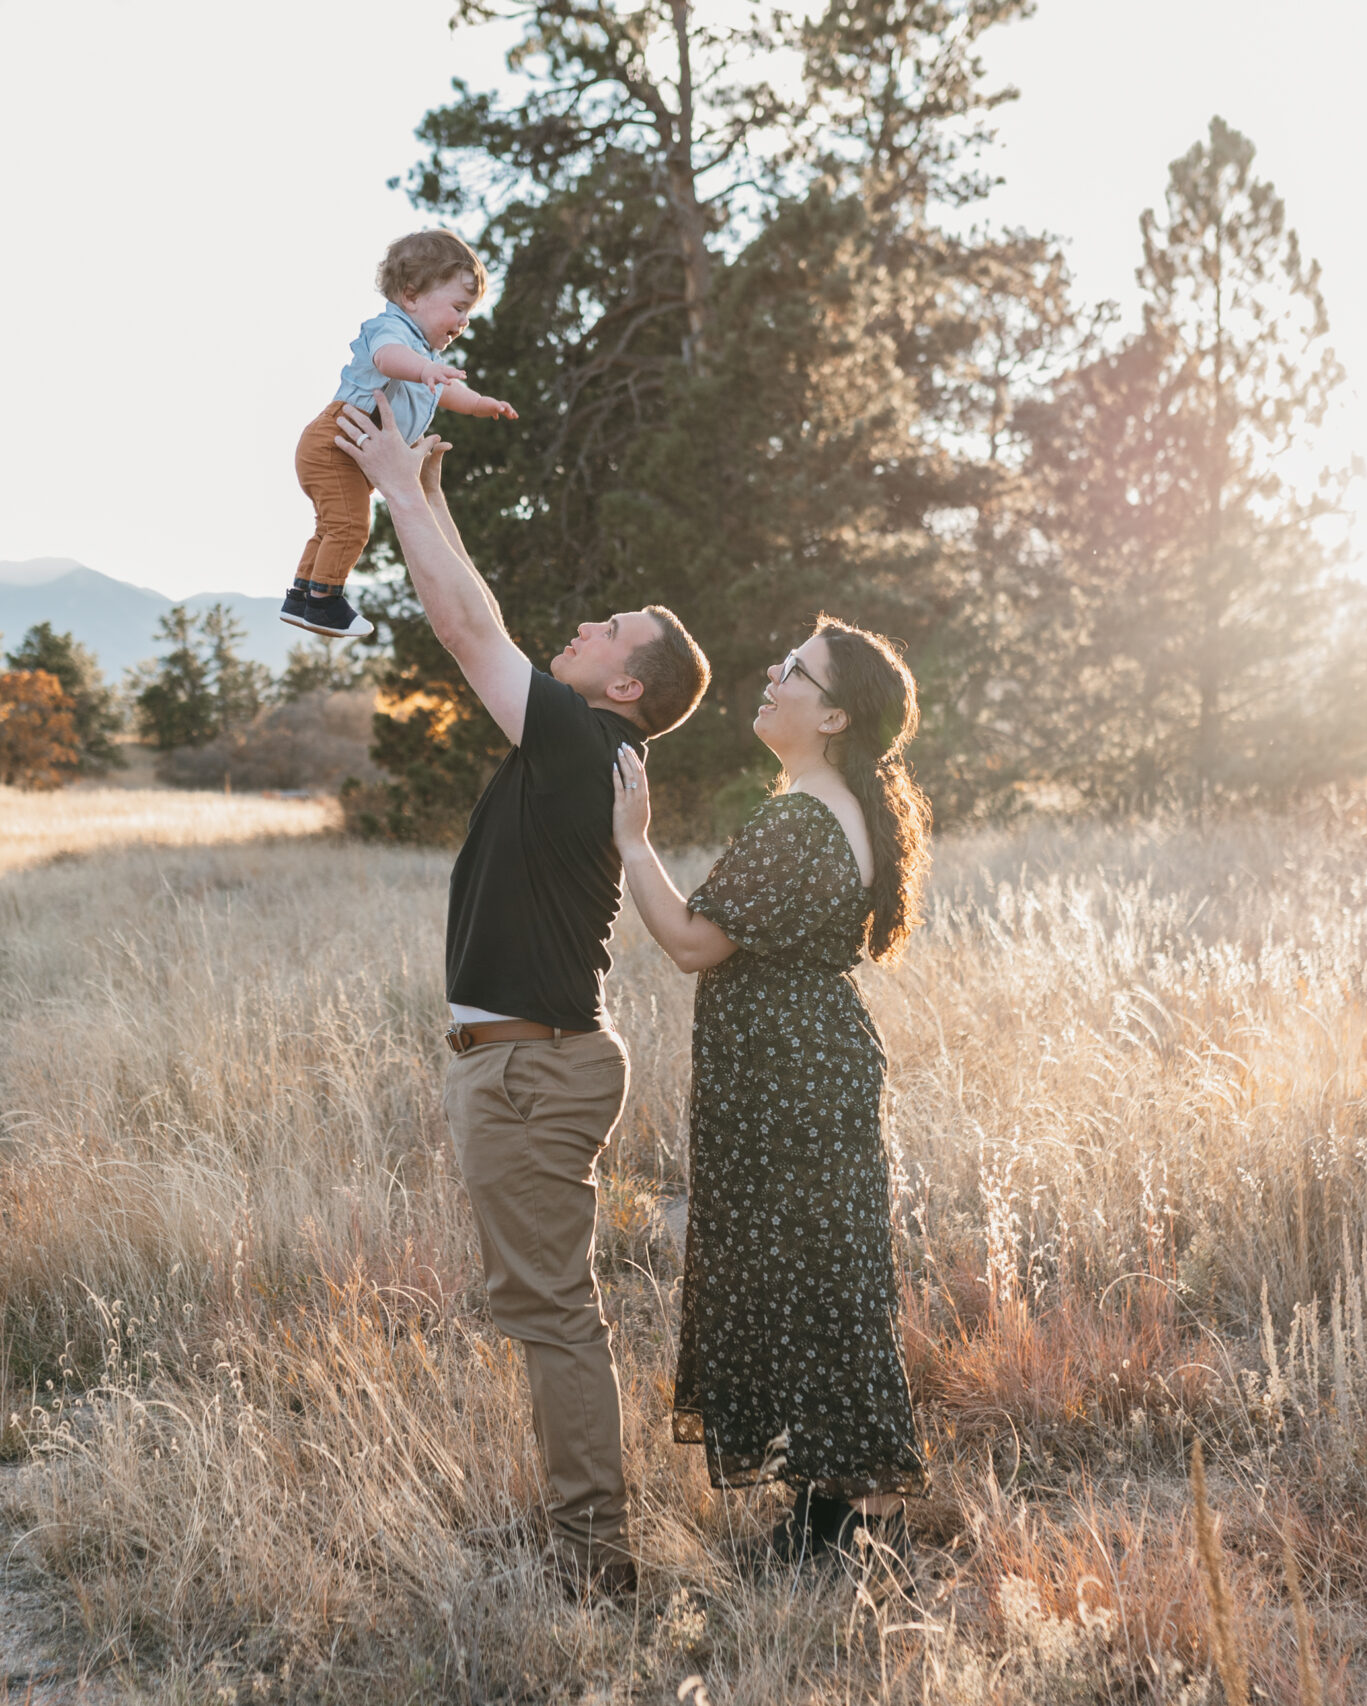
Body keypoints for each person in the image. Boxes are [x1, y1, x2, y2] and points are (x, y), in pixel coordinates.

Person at [334, 396, 712, 1598]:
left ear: (629, 687)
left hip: (535, 1066)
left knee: (552, 1312)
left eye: (614, 628)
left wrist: (398, 487)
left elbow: (462, 625)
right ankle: (581, 1528)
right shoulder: (580, 744)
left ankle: (596, 1552)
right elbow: (477, 613)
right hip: (522, 1060)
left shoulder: (580, 744)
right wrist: (430, 496)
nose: (591, 622)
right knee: (543, 1304)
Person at [608, 616, 932, 1572]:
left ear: (832, 714)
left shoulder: (802, 817)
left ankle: (860, 1518)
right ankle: (835, 1509)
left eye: (794, 671)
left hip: (787, 1078)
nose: (772, 674)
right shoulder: (836, 806)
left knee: (808, 1277)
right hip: (808, 1064)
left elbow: (693, 943)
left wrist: (634, 840)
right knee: (822, 1276)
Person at [283, 230, 519, 641]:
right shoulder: (390, 331)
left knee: (330, 527)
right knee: (351, 527)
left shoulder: (423, 359)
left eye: (469, 313)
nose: (463, 322)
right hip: (334, 443)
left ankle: (301, 596)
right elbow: (389, 359)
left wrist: (478, 402)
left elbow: (443, 389)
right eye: (459, 308)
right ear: (411, 296)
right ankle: (325, 602)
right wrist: (426, 370)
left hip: (344, 449)